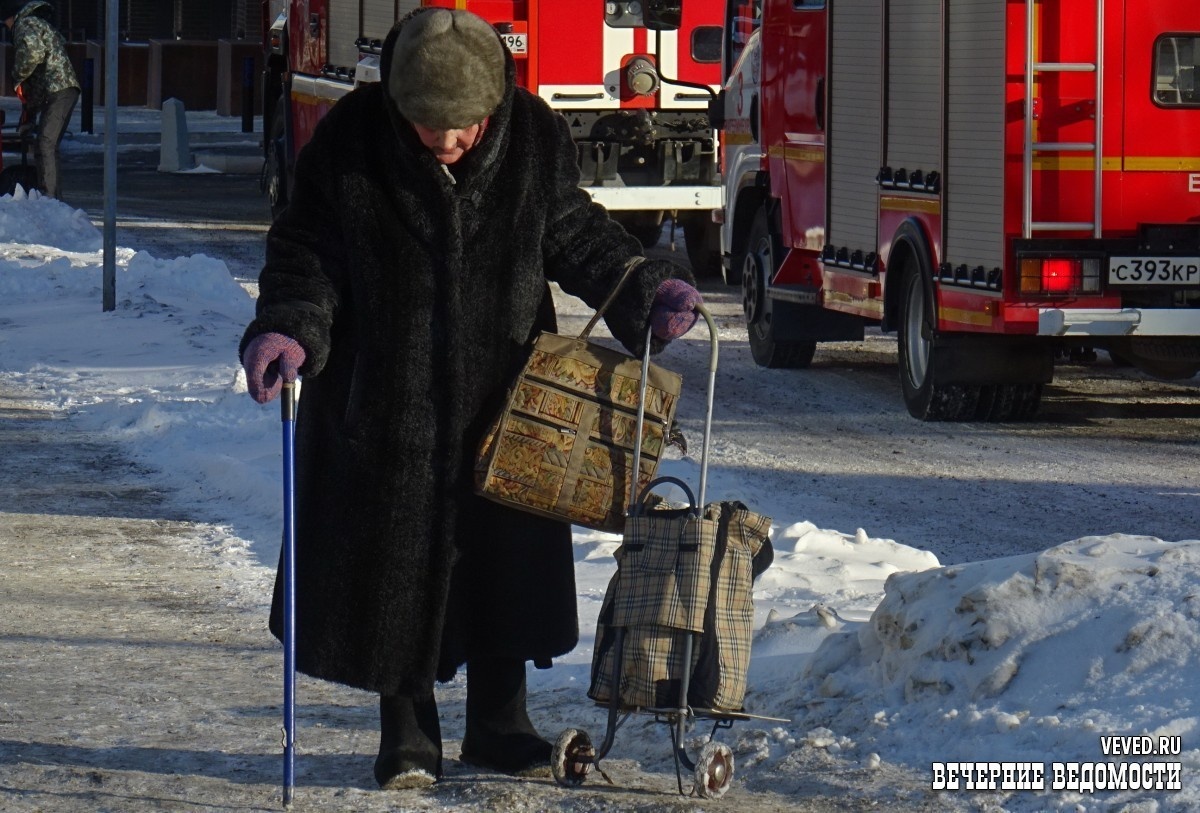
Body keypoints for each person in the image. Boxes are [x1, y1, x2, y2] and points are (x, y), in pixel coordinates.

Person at [239, 8, 704, 791]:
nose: (446, 142)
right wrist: (287, 328)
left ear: (491, 106)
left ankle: (500, 723)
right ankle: (408, 733)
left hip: (508, 400)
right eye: (428, 127)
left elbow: (576, 233)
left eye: (462, 128)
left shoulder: (531, 138)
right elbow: (305, 251)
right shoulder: (351, 141)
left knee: (501, 564)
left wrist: (646, 293)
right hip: (384, 397)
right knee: (397, 569)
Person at [1, 0, 80, 200]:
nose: (6, 29)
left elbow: (33, 55)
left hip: (60, 88)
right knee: (42, 143)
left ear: (9, 18)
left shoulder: (26, 24)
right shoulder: (31, 25)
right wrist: (28, 116)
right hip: (55, 90)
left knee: (46, 142)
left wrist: (17, 77)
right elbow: (35, 84)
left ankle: (50, 198)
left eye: (4, 24)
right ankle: (47, 194)